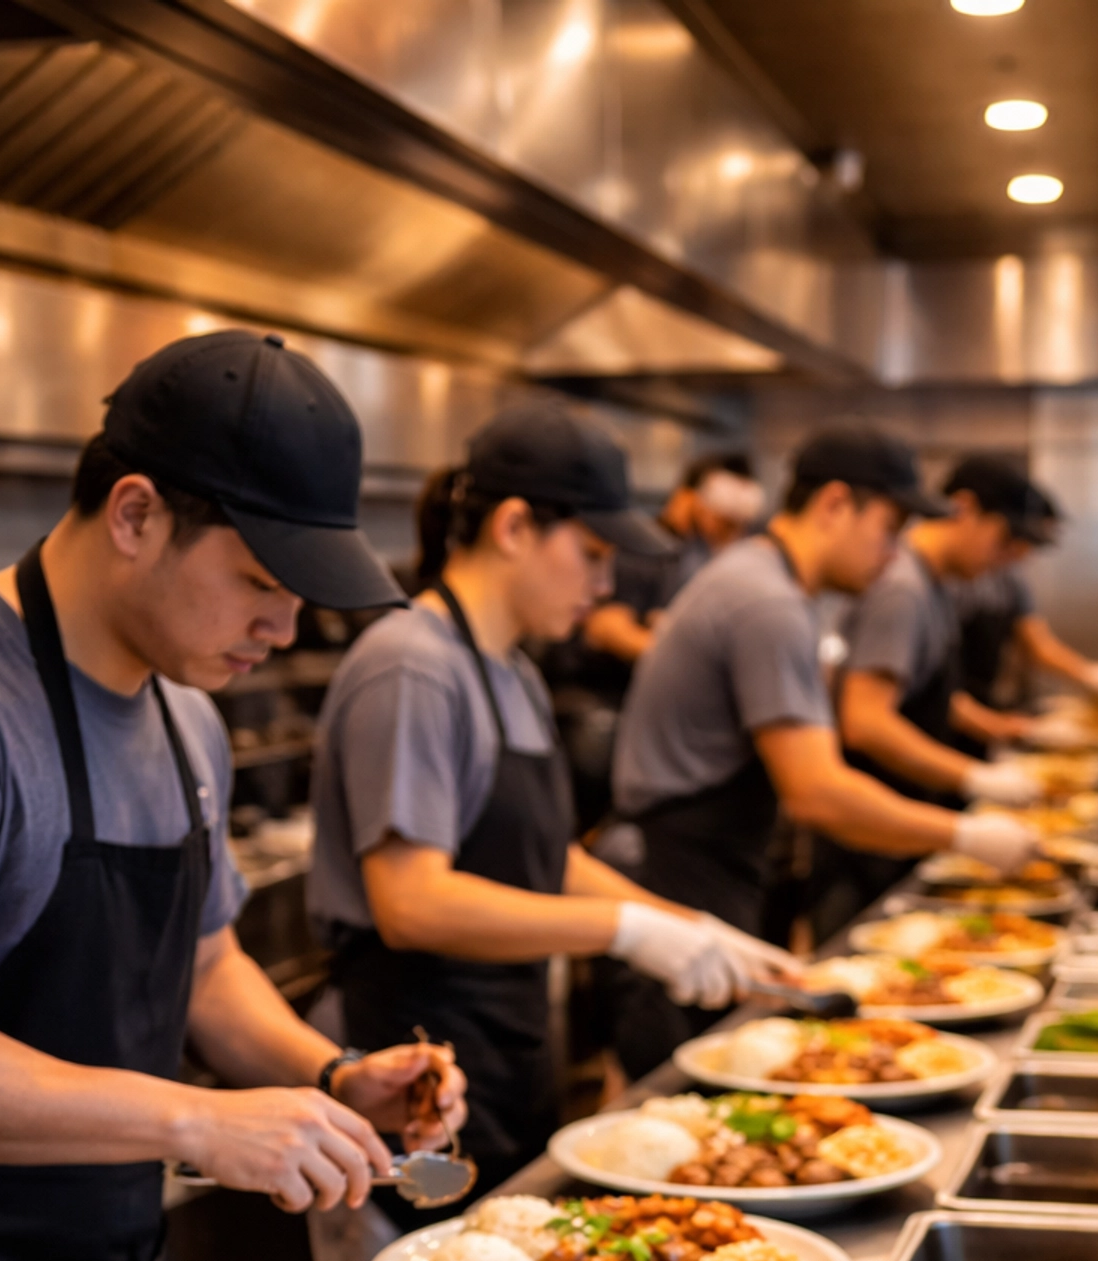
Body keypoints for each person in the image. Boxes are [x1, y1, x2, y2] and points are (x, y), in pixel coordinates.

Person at [0, 329, 466, 1261]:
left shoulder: (187, 714)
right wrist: (195, 1120)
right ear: (135, 515)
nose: (285, 625)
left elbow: (207, 965)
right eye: (260, 581)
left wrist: (331, 1075)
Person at [308, 399, 798, 1201]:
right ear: (513, 527)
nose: (604, 585)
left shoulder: (513, 670)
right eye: (593, 554)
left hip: (508, 1052)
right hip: (408, 1072)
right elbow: (412, 903)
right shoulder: (412, 666)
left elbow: (549, 860)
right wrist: (626, 932)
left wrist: (688, 927)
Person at [609, 421, 1041, 1077]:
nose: (894, 553)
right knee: (675, 1081)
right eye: (889, 528)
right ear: (835, 504)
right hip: (681, 867)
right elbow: (817, 792)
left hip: (708, 858)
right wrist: (965, 832)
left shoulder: (766, 582)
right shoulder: (767, 601)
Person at [824, 458, 1052, 927]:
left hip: (903, 816)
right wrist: (974, 780)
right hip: (871, 828)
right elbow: (866, 722)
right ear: (965, 509)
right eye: (1005, 539)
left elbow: (930, 695)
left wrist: (1000, 731)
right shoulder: (903, 589)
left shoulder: (934, 585)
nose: (1008, 557)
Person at [541, 450, 764, 825]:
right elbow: (607, 627)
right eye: (722, 521)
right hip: (601, 698)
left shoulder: (703, 557)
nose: (729, 533)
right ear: (688, 499)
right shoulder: (643, 552)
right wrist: (688, 656)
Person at [952, 469, 1098, 715]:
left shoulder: (1010, 579)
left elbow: (1036, 642)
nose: (1026, 552)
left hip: (978, 703)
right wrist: (994, 727)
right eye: (1022, 538)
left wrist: (1089, 673)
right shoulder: (950, 576)